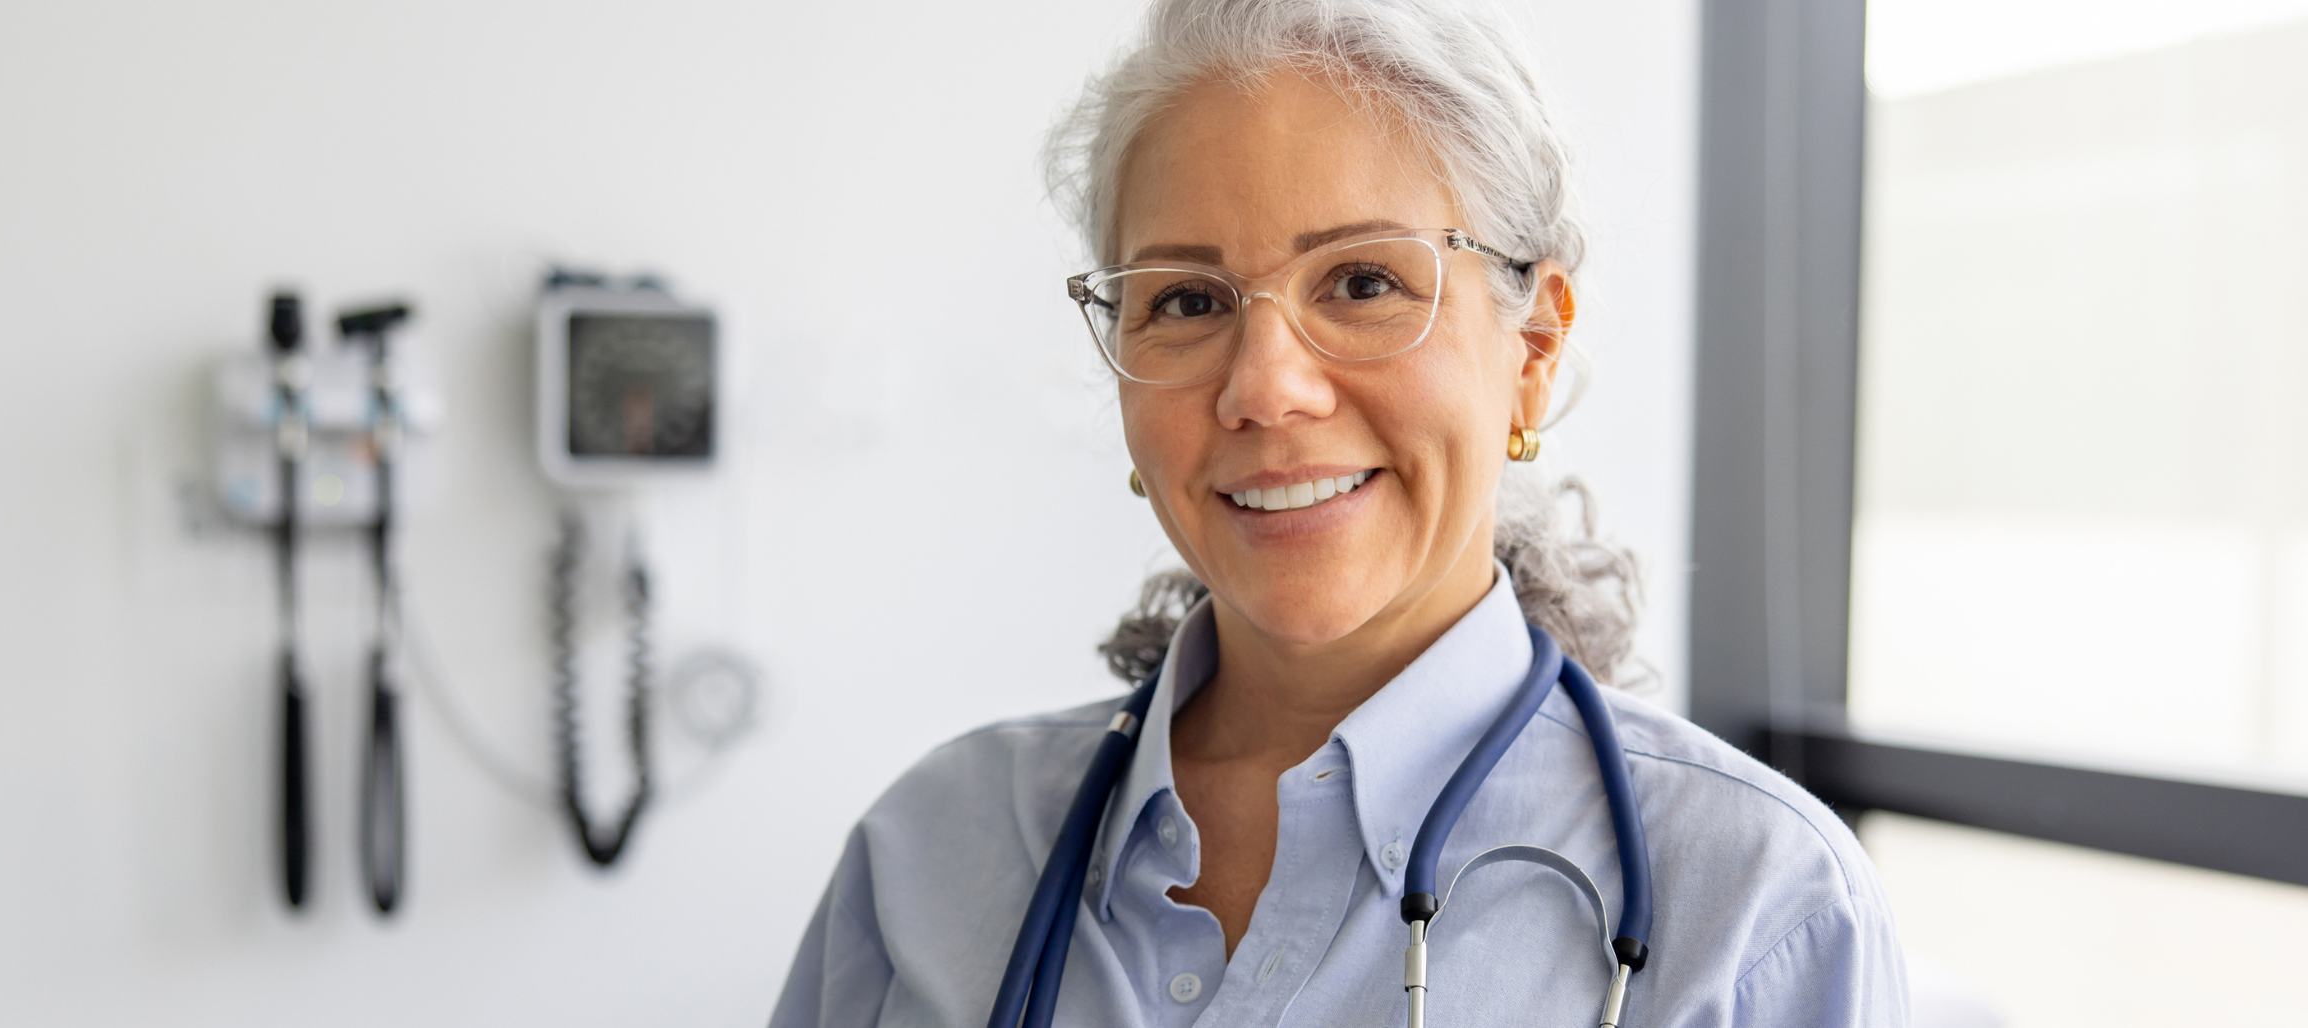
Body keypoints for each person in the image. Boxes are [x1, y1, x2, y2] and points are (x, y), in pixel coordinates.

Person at [771, 0, 1906, 1024]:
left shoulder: (1764, 909)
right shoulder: (928, 852)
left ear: (1534, 349)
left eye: (1364, 282)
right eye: (1187, 300)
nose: (1264, 386)